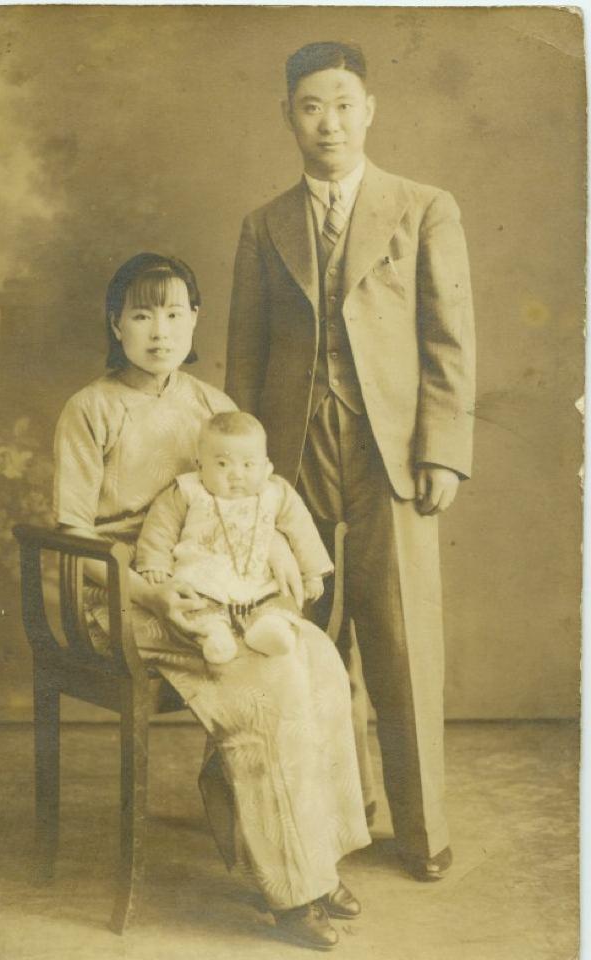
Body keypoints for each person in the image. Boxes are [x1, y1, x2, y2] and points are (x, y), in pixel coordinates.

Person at [53, 251, 371, 950]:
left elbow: (258, 500)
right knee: (267, 681)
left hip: (223, 588)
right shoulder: (91, 408)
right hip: (125, 594)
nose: (159, 331)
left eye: (174, 314)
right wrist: (151, 590)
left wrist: (277, 555)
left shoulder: (211, 406)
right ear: (115, 324)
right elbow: (72, 535)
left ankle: (318, 860)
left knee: (317, 658)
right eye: (141, 315)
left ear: (195, 320)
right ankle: (290, 891)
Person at [226, 41, 475, 882]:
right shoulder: (263, 224)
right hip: (292, 460)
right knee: (298, 639)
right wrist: (248, 482)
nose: (327, 123)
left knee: (402, 641)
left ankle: (423, 831)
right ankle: (327, 821)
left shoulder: (425, 207)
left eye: (342, 105)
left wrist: (443, 452)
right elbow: (244, 360)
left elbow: (448, 340)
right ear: (288, 118)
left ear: (369, 111)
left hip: (390, 454)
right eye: (310, 107)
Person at [135, 410, 333, 664]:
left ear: (266, 467)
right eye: (222, 464)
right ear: (200, 465)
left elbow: (302, 530)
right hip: (204, 576)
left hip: (260, 579)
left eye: (248, 465)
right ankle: (214, 634)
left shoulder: (276, 493)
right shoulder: (188, 490)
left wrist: (312, 572)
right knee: (194, 605)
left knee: (279, 602)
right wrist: (155, 563)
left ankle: (269, 630)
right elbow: (161, 526)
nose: (236, 474)